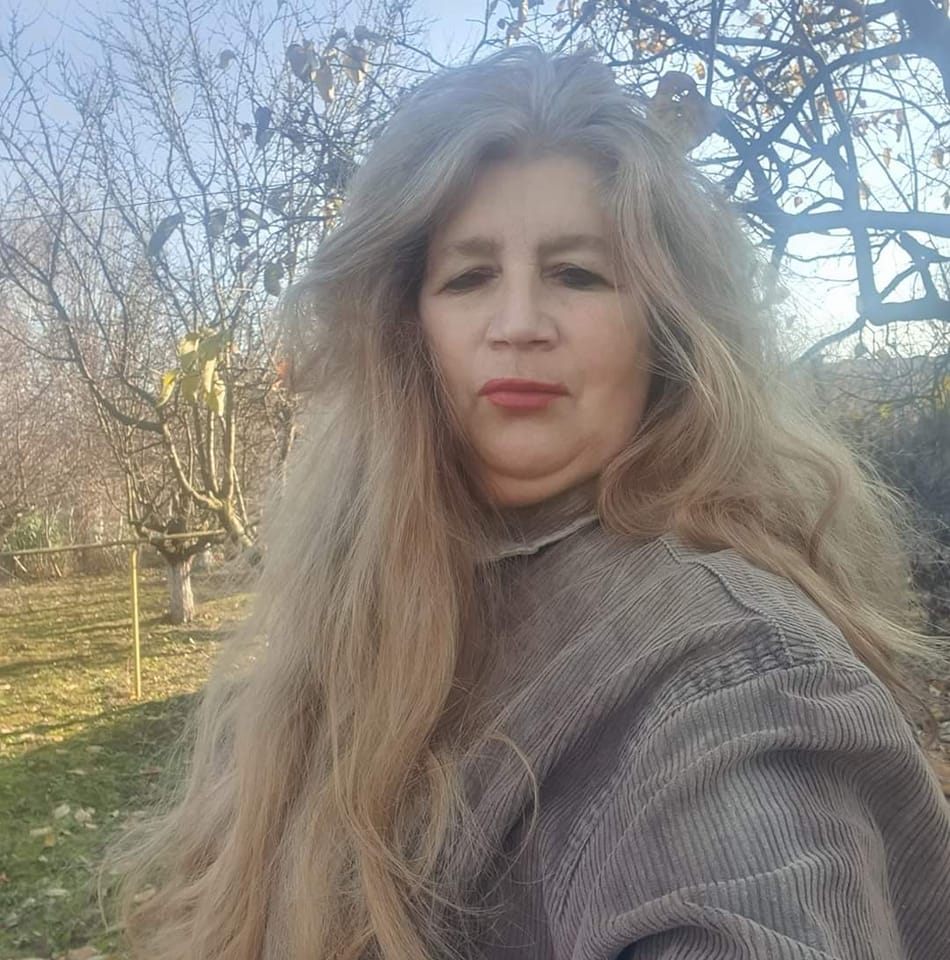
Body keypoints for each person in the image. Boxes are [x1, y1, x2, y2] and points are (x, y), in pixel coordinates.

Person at [103, 44, 950, 959]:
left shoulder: (735, 673)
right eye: (469, 277)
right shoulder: (372, 597)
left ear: (665, 327)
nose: (518, 324)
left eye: (577, 274)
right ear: (404, 328)